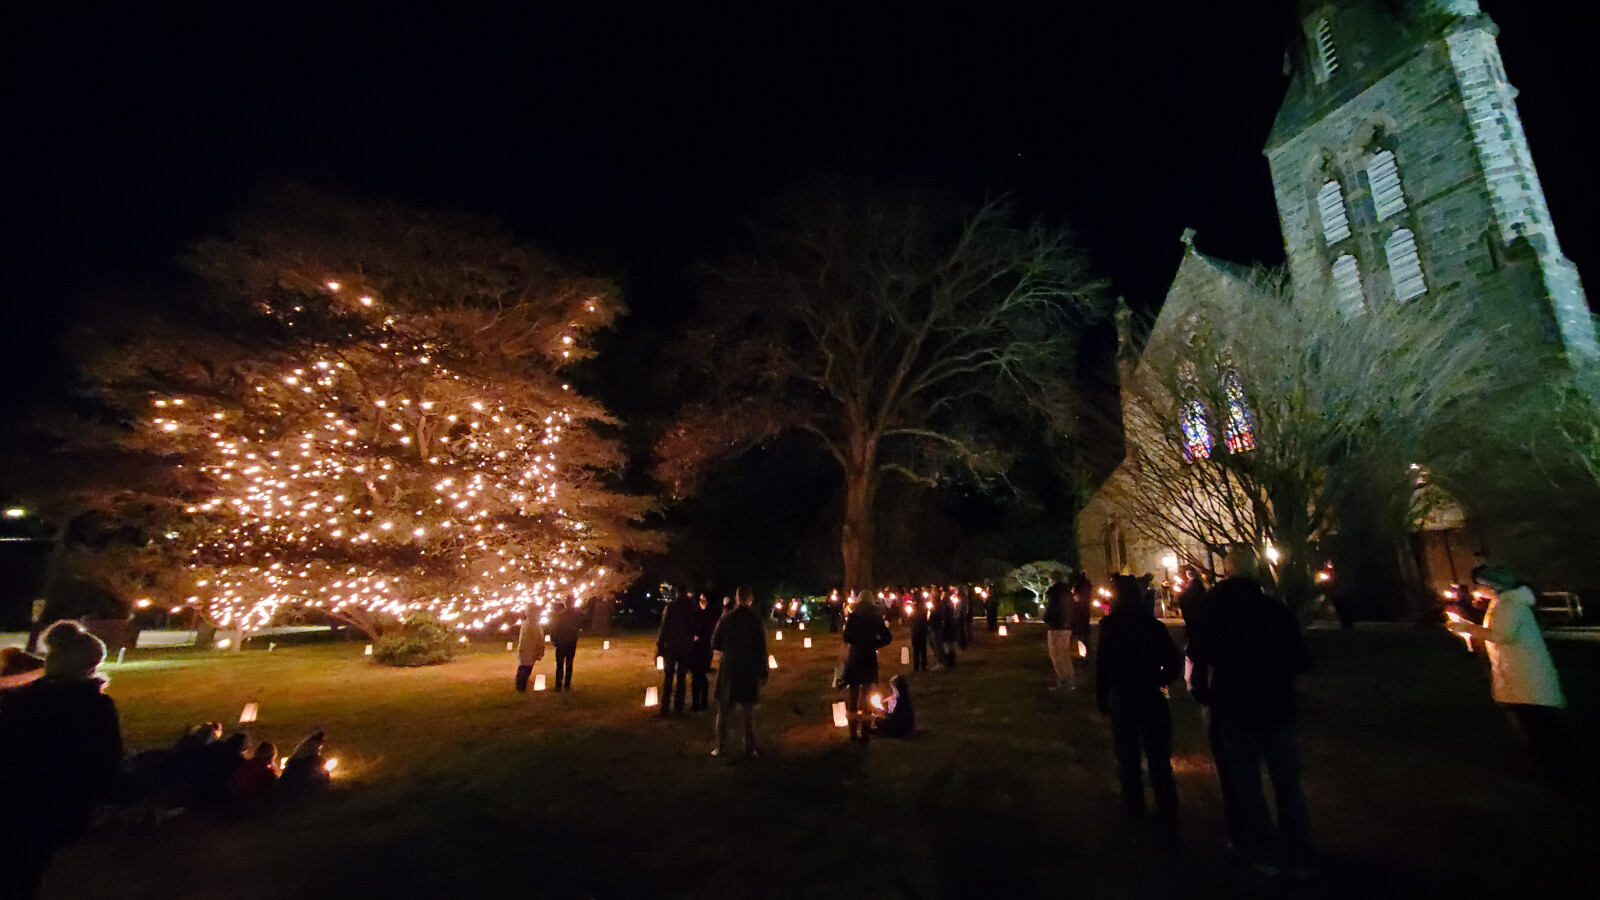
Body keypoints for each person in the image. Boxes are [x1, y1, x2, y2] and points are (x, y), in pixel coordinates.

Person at [1187, 544, 1312, 873]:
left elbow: (1199, 653)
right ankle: (1297, 845)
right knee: (1287, 779)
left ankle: (1259, 847)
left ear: (1227, 570)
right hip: (1275, 702)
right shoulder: (1274, 609)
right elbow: (1300, 659)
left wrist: (1202, 687)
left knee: (1245, 781)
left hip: (1234, 703)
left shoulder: (1211, 608)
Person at [0, 621, 124, 899]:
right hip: (57, 806)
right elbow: (106, 763)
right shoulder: (94, 706)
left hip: (16, 802)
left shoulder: (22, 700)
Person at [1445, 563, 1573, 784]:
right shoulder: (1504, 604)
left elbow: (1503, 635)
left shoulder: (1509, 606)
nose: (1478, 589)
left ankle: (1559, 774)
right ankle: (1555, 770)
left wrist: (1466, 627)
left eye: (1481, 585)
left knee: (1541, 728)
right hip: (1523, 675)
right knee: (1540, 726)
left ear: (1492, 585)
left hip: (1526, 676)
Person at [1097, 574, 1183, 842]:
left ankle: (1135, 810)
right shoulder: (1152, 626)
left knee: (1129, 759)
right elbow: (1173, 661)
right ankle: (1167, 812)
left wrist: (1103, 698)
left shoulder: (1111, 627)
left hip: (1124, 698)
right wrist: (1158, 680)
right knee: (1159, 758)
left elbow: (1103, 667)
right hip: (1150, 696)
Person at [710, 585, 768, 759]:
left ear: (736, 598)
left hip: (730, 668)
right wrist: (763, 670)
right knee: (748, 711)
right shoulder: (755, 620)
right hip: (748, 667)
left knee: (724, 709)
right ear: (750, 599)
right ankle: (749, 747)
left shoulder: (726, 618)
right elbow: (761, 647)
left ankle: (721, 746)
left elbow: (715, 642)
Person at [841, 594, 893, 744]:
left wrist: (857, 643)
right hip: (869, 659)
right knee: (866, 694)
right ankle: (864, 733)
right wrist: (874, 644)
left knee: (853, 694)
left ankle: (852, 733)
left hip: (855, 658)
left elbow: (846, 637)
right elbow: (887, 637)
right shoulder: (875, 619)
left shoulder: (853, 619)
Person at [656, 588, 700, 716]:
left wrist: (660, 645)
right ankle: (679, 707)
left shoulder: (671, 607)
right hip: (685, 647)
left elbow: (664, 627)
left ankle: (665, 707)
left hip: (672, 646)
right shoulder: (692, 608)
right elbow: (697, 627)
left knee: (668, 676)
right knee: (681, 678)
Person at [1043, 576, 1076, 689]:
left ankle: (1063, 679)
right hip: (1067, 627)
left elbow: (1051, 610)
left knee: (1056, 654)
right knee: (1065, 654)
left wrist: (1046, 617)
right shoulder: (1068, 593)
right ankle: (1070, 679)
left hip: (1056, 626)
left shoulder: (1054, 593)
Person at [688, 594, 718, 712]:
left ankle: (699, 703)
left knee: (697, 675)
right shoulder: (705, 615)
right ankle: (700, 702)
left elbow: (700, 631)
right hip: (703, 648)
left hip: (700, 648)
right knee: (698, 675)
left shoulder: (703, 615)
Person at [549, 601, 583, 691]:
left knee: (560, 664)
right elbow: (578, 626)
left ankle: (558, 684)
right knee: (569, 663)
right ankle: (567, 683)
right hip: (571, 642)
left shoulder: (561, 615)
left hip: (562, 643)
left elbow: (556, 628)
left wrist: (554, 639)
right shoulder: (576, 615)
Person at [514, 602, 546, 693]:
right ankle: (521, 686)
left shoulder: (526, 624)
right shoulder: (534, 625)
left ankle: (521, 685)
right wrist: (540, 650)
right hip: (530, 650)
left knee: (523, 667)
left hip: (525, 650)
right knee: (526, 668)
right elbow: (539, 639)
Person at [1068, 571, 1095, 660]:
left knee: (1082, 634)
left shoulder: (1079, 585)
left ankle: (1089, 653)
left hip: (1080, 610)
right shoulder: (1087, 584)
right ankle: (1088, 652)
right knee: (1084, 634)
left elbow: (1074, 593)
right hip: (1084, 609)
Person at [908, 593, 930, 672]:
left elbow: (911, 620)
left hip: (916, 631)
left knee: (916, 650)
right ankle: (923, 665)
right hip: (922, 631)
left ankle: (916, 667)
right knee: (923, 649)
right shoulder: (923, 609)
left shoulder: (914, 609)